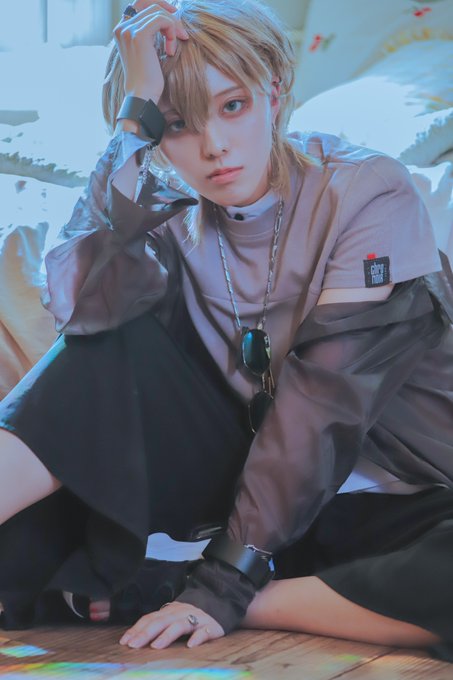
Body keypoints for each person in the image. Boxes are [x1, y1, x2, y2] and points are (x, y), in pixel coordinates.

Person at [0, 0, 452, 661]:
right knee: (107, 342)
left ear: (275, 91)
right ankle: (199, 575)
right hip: (241, 492)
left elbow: (323, 410)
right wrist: (134, 115)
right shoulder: (169, 214)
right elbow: (82, 308)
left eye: (233, 106)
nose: (213, 146)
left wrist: (221, 588)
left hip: (399, 502)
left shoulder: (367, 192)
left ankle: (198, 588)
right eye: (177, 123)